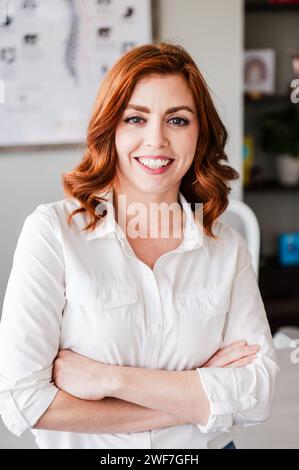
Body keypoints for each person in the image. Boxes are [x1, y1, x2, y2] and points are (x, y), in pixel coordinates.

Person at [0, 42, 279, 449]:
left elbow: (259, 394)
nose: (156, 140)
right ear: (110, 129)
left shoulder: (226, 249)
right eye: (135, 118)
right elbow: (22, 403)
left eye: (178, 120)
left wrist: (109, 380)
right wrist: (195, 398)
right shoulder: (52, 233)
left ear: (199, 135)